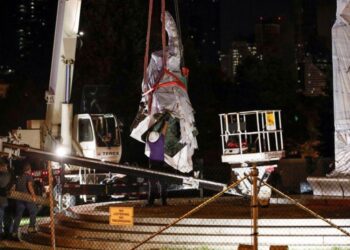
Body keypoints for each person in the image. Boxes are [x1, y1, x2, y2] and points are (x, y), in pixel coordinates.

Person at [11, 162, 38, 239]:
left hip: (19, 198)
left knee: (18, 215)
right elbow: (29, 185)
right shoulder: (29, 176)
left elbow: (14, 187)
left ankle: (14, 232)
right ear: (29, 169)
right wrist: (33, 195)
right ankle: (31, 228)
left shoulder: (19, 177)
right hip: (27, 197)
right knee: (33, 211)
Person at [146, 119, 169, 206]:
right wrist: (166, 121)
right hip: (160, 164)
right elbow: (164, 130)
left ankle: (151, 202)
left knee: (152, 184)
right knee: (163, 184)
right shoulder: (161, 141)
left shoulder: (150, 142)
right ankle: (164, 202)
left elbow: (149, 133)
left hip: (152, 164)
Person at [0, 158, 11, 240]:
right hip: (4, 200)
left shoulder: (5, 175)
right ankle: (7, 233)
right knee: (5, 217)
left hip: (3, 200)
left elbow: (2, 185)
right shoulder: (7, 175)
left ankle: (5, 234)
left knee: (3, 217)